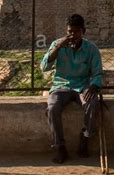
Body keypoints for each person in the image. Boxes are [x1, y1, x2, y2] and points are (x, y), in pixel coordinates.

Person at [41, 14, 103, 164]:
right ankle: (60, 147)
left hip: (82, 86)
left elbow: (98, 73)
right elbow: (44, 67)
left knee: (92, 104)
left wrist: (93, 86)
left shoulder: (91, 49)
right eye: (69, 32)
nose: (72, 36)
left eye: (76, 32)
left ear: (83, 32)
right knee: (52, 108)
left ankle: (85, 138)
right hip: (61, 85)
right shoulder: (58, 44)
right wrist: (57, 48)